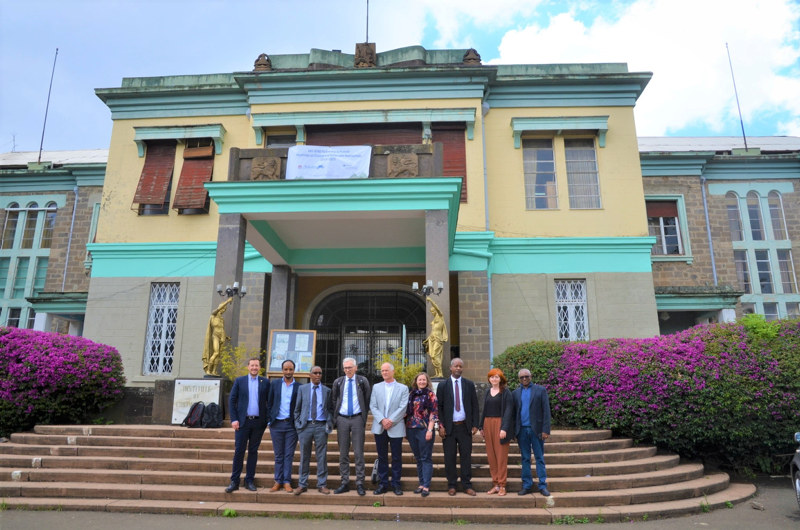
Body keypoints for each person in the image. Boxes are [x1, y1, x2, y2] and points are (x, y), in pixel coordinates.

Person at [436, 357, 479, 496]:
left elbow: (475, 405)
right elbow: (439, 407)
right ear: (451, 368)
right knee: (450, 457)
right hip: (448, 428)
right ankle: (452, 485)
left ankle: (467, 484)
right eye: (456, 366)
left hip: (464, 427)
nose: (458, 368)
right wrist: (440, 426)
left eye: (461, 366)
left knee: (466, 456)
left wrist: (475, 424)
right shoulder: (443, 385)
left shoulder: (469, 384)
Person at [225, 357, 268, 493]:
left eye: (257, 366)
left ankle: (249, 480)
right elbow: (232, 400)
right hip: (242, 422)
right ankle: (234, 481)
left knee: (253, 452)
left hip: (258, 423)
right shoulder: (240, 381)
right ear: (248, 367)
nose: (254, 368)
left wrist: (266, 419)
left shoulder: (265, 382)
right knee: (239, 451)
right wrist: (234, 419)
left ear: (259, 368)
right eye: (252, 365)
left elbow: (269, 401)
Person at [331, 356, 371, 496]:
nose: (347, 370)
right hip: (342, 419)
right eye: (345, 368)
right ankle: (345, 482)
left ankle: (360, 483)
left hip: (357, 419)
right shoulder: (338, 382)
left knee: (358, 452)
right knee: (343, 453)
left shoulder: (362, 381)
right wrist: (335, 418)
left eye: (350, 367)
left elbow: (367, 399)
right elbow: (334, 399)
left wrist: (363, 417)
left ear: (356, 368)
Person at [292, 365, 334, 495]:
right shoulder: (302, 389)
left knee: (321, 456)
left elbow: (330, 409)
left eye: (320, 373)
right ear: (310, 375)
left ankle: (322, 484)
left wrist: (329, 423)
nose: (318, 375)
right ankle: (302, 484)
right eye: (315, 373)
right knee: (305, 455)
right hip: (305, 427)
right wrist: (299, 425)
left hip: (321, 426)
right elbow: (297, 409)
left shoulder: (327, 390)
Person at [369, 362, 409, 496]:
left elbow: (403, 407)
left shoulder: (403, 388)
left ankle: (396, 484)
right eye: (382, 371)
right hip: (380, 426)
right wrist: (382, 420)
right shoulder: (376, 387)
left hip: (396, 426)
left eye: (386, 370)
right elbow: (373, 406)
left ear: (393, 372)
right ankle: (383, 484)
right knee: (382, 457)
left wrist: (391, 420)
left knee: (396, 457)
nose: (384, 373)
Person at [513, 368, 552, 497]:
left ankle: (542, 485)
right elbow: (513, 414)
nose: (524, 379)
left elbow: (546, 411)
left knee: (539, 458)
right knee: (525, 458)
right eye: (522, 377)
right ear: (519, 379)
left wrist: (546, 430)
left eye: (526, 376)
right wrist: (514, 431)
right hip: (522, 431)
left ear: (531, 376)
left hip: (537, 430)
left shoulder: (540, 390)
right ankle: (527, 485)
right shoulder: (515, 393)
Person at [479, 368, 514, 496]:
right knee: (491, 456)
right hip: (488, 424)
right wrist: (481, 426)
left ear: (501, 379)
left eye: (497, 377)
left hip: (500, 424)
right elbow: (484, 410)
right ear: (489, 379)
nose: (494, 379)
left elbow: (509, 411)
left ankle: (502, 484)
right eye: (492, 377)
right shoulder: (487, 391)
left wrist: (504, 428)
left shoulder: (506, 392)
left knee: (501, 456)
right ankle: (495, 484)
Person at [267, 359, 299, 492]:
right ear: (282, 370)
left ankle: (287, 481)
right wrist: (270, 421)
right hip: (277, 424)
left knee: (289, 455)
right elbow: (269, 403)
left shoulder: (299, 387)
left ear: (294, 370)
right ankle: (277, 481)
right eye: (286, 369)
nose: (288, 371)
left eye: (290, 369)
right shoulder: (274, 384)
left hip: (291, 425)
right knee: (278, 454)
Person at [405, 371, 438, 497]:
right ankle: (421, 483)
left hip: (424, 429)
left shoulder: (431, 395)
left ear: (427, 381)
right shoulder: (412, 394)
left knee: (425, 458)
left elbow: (433, 414)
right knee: (418, 458)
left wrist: (430, 430)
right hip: (411, 428)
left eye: (424, 380)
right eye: (420, 380)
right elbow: (408, 412)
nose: (422, 382)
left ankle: (426, 485)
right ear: (416, 381)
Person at [202, 297, 232, 376]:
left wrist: (226, 337)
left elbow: (222, 329)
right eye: (223, 308)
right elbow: (218, 309)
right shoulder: (213, 315)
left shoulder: (221, 319)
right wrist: (227, 301)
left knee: (218, 355)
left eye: (224, 309)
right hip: (215, 336)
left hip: (221, 337)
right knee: (216, 352)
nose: (223, 310)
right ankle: (208, 369)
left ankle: (214, 371)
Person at [422, 297, 447, 378]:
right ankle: (437, 373)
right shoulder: (434, 319)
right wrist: (427, 339)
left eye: (433, 311)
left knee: (435, 355)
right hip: (432, 338)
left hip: (438, 338)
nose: (432, 312)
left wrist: (430, 300)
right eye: (431, 312)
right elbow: (433, 331)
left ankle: (440, 373)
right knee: (432, 356)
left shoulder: (440, 316)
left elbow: (437, 307)